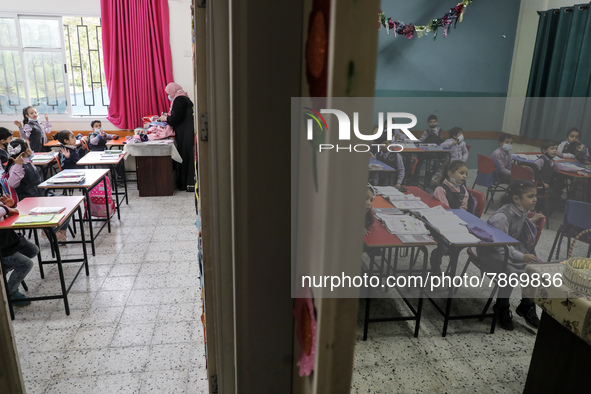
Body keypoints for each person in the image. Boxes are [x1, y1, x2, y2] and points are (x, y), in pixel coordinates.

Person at [477, 180, 545, 330]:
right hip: (491, 254)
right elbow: (501, 249)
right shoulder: (501, 217)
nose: (535, 199)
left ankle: (526, 306)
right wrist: (522, 257)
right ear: (516, 199)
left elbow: (516, 229)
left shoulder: (520, 210)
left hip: (506, 252)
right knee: (511, 273)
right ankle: (501, 306)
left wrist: (530, 221)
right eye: (531, 196)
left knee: (533, 269)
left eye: (535, 196)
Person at [430, 160, 475, 274]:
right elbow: (445, 211)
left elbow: (463, 208)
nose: (464, 176)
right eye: (461, 173)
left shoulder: (463, 189)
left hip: (455, 223)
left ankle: (451, 264)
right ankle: (435, 261)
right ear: (450, 174)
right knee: (445, 246)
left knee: (457, 246)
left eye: (466, 174)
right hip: (439, 223)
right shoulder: (441, 189)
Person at [0, 195, 37, 306]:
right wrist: (7, 208)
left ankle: (3, 271)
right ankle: (10, 292)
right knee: (26, 264)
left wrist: (10, 205)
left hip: (9, 239)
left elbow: (7, 208)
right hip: (3, 247)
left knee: (32, 250)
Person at [159, 82, 196, 191]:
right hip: (186, 132)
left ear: (172, 91)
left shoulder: (179, 100)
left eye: (168, 93)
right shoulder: (183, 98)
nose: (168, 96)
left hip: (186, 133)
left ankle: (186, 184)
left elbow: (176, 118)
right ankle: (186, 183)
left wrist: (165, 119)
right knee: (186, 157)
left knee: (185, 157)